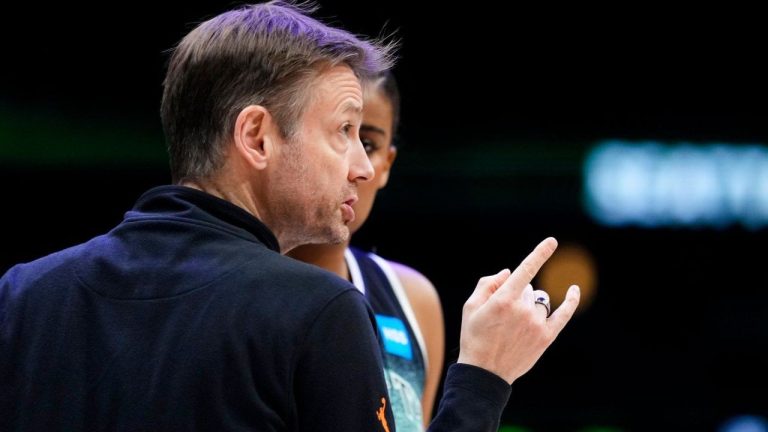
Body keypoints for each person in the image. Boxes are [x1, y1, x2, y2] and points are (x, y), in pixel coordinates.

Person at [0, 2, 581, 431]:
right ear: (256, 136)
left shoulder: (22, 294)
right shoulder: (319, 310)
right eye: (345, 131)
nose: (361, 166)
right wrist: (484, 377)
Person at [288, 71, 445, 431]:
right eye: (339, 135)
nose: (354, 165)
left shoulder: (413, 298)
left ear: (387, 164)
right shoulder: (237, 287)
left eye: (369, 144)